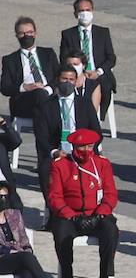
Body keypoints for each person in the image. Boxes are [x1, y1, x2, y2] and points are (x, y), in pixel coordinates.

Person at [46, 128, 117, 278]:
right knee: (61, 233)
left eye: (89, 147)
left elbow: (111, 194)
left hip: (96, 214)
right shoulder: (61, 165)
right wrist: (73, 217)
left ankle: (105, 277)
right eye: (81, 147)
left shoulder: (102, 164)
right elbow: (55, 197)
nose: (85, 151)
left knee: (110, 231)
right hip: (71, 215)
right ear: (73, 147)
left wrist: (100, 214)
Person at [0, 182, 63, 278]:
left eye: (4, 196)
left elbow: (24, 241)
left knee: (27, 270)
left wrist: (21, 252)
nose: (2, 199)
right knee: (25, 258)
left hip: (18, 258)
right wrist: (13, 252)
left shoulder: (14, 215)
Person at [33, 64, 100, 197]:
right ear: (58, 79)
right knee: (47, 174)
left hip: (82, 152)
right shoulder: (46, 106)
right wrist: (55, 152)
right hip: (56, 153)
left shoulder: (85, 104)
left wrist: (85, 149)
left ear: (76, 81)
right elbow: (41, 136)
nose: (68, 82)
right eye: (64, 79)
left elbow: (96, 132)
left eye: (71, 80)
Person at [59, 0, 116, 119]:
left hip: (98, 72)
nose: (85, 13)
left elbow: (111, 58)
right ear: (75, 14)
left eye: (87, 10)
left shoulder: (103, 32)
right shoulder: (68, 34)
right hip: (78, 73)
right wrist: (79, 72)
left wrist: (98, 72)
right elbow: (64, 58)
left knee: (105, 86)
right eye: (81, 11)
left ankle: (98, 118)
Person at [1, 17, 58, 122]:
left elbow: (59, 77)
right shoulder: (10, 60)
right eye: (22, 33)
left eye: (29, 32)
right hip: (24, 100)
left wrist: (47, 90)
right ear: (17, 36)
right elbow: (5, 88)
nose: (26, 36)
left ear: (35, 33)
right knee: (39, 94)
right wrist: (25, 87)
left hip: (49, 94)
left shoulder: (48, 53)